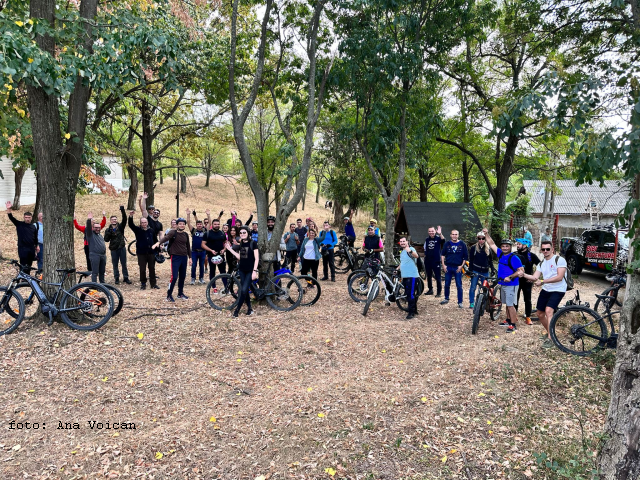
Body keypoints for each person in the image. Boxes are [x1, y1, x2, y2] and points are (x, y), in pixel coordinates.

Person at [522, 240, 568, 347]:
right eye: (543, 249)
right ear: (541, 250)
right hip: (547, 289)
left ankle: (551, 339)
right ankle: (550, 332)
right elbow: (534, 277)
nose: (546, 251)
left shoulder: (560, 260)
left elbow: (559, 277)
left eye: (548, 249)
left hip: (558, 289)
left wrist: (543, 281)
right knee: (539, 314)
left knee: (548, 311)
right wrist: (523, 274)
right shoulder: (541, 263)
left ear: (552, 249)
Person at [483, 229, 524, 333]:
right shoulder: (500, 254)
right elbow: (491, 243)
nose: (505, 248)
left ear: (510, 247)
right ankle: (508, 320)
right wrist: (486, 234)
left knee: (511, 305)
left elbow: (521, 271)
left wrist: (510, 277)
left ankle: (513, 325)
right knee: (506, 304)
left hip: (511, 284)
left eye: (507, 246)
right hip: (502, 283)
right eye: (503, 246)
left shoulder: (514, 258)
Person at [224, 226, 259, 318]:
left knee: (243, 290)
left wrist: (254, 271)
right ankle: (250, 309)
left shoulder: (253, 243)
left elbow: (257, 258)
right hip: (242, 270)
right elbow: (240, 257)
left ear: (248, 233)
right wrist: (230, 249)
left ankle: (237, 310)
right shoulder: (242, 243)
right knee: (245, 290)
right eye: (241, 233)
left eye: (244, 233)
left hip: (250, 270)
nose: (242, 234)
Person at [156, 214, 191, 302]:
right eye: (180, 224)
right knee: (174, 277)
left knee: (182, 276)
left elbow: (188, 246)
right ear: (177, 224)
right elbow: (166, 238)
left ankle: (180, 293)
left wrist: (190, 258)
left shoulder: (186, 235)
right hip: (175, 257)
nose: (182, 225)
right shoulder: (173, 232)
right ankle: (169, 295)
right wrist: (158, 243)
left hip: (184, 257)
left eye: (183, 224)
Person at [128, 211, 159, 290]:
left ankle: (153, 284)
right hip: (141, 253)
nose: (144, 224)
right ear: (140, 223)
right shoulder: (138, 230)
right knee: (142, 269)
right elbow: (131, 225)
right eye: (142, 222)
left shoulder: (151, 231)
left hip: (151, 253)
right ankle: (143, 283)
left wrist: (158, 250)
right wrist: (131, 216)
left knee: (152, 268)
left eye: (145, 222)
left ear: (147, 222)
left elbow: (155, 241)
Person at [6, 201, 39, 271]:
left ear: (31, 218)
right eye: (26, 217)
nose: (27, 219)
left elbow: (35, 238)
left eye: (29, 217)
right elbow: (11, 217)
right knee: (23, 265)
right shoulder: (19, 224)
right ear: (24, 217)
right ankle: (23, 279)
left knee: (29, 265)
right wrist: (9, 209)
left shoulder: (33, 227)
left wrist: (37, 246)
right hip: (23, 248)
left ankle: (27, 279)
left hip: (31, 249)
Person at [514, 238, 540, 325]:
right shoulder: (514, 254)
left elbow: (541, 266)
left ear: (525, 246)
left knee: (527, 299)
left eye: (519, 244)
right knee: (515, 298)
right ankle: (514, 315)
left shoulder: (531, 256)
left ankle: (528, 316)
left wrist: (534, 277)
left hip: (527, 281)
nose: (517, 245)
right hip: (516, 280)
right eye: (517, 244)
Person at [440, 229, 468, 308]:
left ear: (458, 235)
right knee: (447, 284)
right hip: (448, 266)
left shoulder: (462, 244)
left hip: (458, 267)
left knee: (459, 285)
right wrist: (443, 265)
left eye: (456, 234)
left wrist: (461, 266)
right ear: (450, 235)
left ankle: (460, 302)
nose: (454, 236)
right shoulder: (447, 244)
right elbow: (442, 255)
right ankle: (446, 298)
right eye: (453, 234)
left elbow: (465, 257)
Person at [104, 206, 131, 285]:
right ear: (110, 221)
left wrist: (122, 210)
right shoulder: (108, 229)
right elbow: (106, 240)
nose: (114, 220)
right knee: (115, 264)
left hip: (121, 248)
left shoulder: (120, 226)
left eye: (115, 219)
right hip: (113, 249)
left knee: (124, 264)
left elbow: (125, 219)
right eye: (113, 219)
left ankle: (126, 278)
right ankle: (116, 278)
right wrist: (109, 232)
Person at [468, 231, 495, 309]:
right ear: (477, 238)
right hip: (476, 270)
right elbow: (471, 260)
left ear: (485, 239)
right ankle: (472, 302)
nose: (481, 240)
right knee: (473, 287)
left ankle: (484, 302)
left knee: (485, 288)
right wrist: (470, 270)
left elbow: (490, 260)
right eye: (479, 238)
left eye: (483, 238)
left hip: (485, 271)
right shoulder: (473, 248)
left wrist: (492, 269)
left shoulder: (488, 248)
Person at [396, 236, 420, 319]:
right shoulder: (402, 252)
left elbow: (416, 256)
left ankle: (411, 312)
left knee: (411, 294)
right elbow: (402, 262)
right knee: (408, 294)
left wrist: (409, 250)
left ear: (407, 242)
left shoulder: (411, 249)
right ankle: (414, 309)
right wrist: (397, 269)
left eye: (404, 241)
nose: (402, 243)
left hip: (412, 275)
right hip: (405, 276)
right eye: (401, 241)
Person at [85, 212, 107, 283]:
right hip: (95, 255)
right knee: (95, 272)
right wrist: (89, 220)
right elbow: (88, 228)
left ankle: (103, 285)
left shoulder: (100, 235)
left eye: (99, 227)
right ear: (93, 228)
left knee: (102, 271)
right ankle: (94, 286)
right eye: (96, 227)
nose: (97, 229)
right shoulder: (90, 235)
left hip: (102, 255)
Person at [423, 226, 445, 297]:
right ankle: (430, 290)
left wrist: (440, 233)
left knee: (437, 277)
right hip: (428, 261)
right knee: (429, 276)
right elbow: (425, 248)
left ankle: (439, 292)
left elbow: (443, 240)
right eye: (429, 231)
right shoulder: (427, 239)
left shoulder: (438, 238)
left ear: (435, 231)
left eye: (432, 231)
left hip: (436, 261)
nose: (431, 232)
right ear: (428, 232)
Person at [187, 209, 207, 285]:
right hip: (194, 251)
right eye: (198, 224)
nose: (199, 225)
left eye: (200, 224)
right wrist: (188, 214)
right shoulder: (193, 231)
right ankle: (193, 278)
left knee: (201, 265)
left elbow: (210, 223)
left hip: (202, 251)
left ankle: (201, 278)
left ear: (202, 225)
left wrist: (208, 215)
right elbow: (188, 223)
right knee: (194, 265)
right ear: (196, 225)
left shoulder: (205, 231)